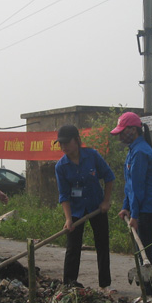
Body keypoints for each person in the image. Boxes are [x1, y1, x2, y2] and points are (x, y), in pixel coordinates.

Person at [54, 125, 115, 292]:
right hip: (76, 211)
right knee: (73, 247)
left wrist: (105, 201)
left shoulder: (92, 156)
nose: (64, 147)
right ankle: (69, 284)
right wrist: (68, 219)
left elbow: (109, 177)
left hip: (96, 207)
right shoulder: (61, 166)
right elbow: (64, 195)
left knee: (102, 244)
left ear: (77, 140)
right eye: (61, 144)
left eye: (67, 142)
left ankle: (105, 284)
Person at [110, 112, 152, 296]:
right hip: (141, 208)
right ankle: (149, 294)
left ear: (133, 130)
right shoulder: (133, 150)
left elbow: (139, 187)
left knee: (146, 252)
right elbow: (130, 184)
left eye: (123, 132)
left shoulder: (141, 152)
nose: (120, 136)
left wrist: (135, 216)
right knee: (143, 253)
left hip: (147, 209)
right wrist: (126, 206)